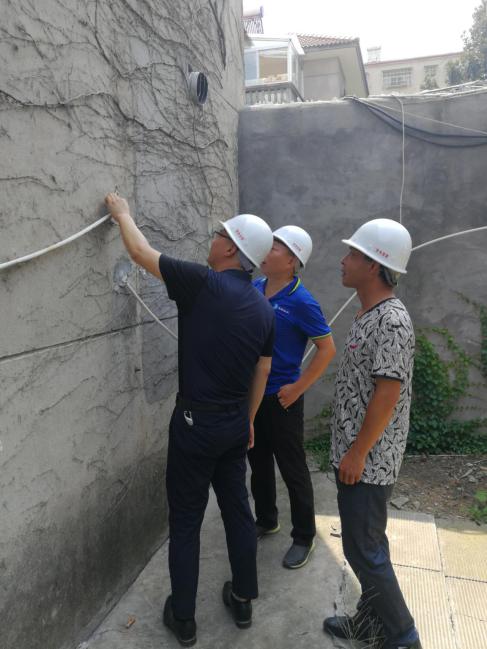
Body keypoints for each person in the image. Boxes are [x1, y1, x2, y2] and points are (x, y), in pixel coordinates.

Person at [104, 193, 275, 647]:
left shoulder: (202, 283)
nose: (212, 238)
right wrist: (249, 419)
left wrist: (122, 214)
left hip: (196, 427)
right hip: (234, 425)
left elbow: (140, 252)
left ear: (231, 248)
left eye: (219, 234)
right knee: (238, 510)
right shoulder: (263, 308)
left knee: (185, 521)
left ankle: (183, 619)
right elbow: (262, 370)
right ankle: (243, 598)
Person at [323, 218, 422, 649]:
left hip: (369, 461)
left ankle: (403, 636)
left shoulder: (392, 321)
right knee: (366, 545)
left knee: (364, 550)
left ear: (374, 265)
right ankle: (370, 622)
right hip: (356, 455)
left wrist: (358, 453)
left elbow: (387, 393)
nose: (343, 260)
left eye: (353, 254)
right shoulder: (369, 313)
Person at [248, 225, 336, 569]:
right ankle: (266, 519)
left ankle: (304, 537)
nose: (265, 251)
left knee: (292, 469)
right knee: (257, 462)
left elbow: (326, 349)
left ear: (291, 261)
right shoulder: (255, 287)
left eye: (274, 247)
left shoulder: (302, 301)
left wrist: (298, 387)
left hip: (283, 399)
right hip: (254, 395)